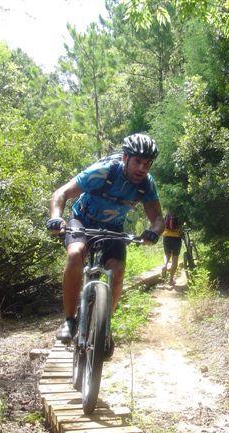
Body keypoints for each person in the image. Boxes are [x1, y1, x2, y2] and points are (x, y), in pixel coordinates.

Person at [47, 133, 164, 344]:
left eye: (148, 163)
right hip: (83, 219)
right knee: (75, 254)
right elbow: (61, 193)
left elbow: (158, 218)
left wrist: (153, 232)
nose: (142, 168)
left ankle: (104, 328)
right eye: (138, 161)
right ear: (124, 158)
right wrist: (56, 218)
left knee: (117, 271)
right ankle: (69, 320)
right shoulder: (103, 172)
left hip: (113, 227)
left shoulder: (146, 184)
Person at [162, 212, 182, 286]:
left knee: (167, 255)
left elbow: (164, 224)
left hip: (166, 236)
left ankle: (165, 265)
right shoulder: (180, 214)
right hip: (177, 237)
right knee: (175, 259)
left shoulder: (168, 213)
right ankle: (171, 280)